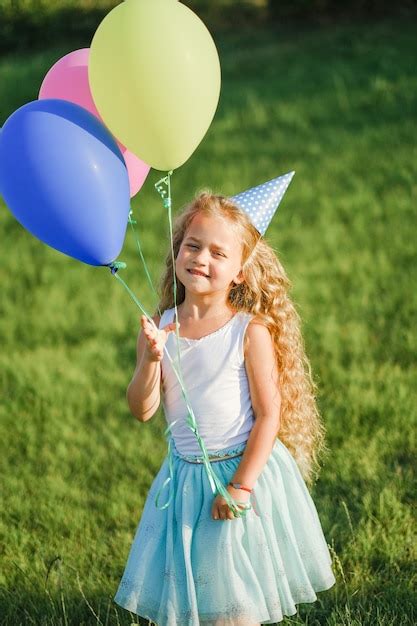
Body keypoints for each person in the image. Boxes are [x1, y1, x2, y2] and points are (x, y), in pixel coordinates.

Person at [113, 184, 336, 625]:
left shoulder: (247, 332)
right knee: (197, 594)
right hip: (185, 481)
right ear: (177, 253)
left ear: (239, 271)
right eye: (192, 246)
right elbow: (142, 409)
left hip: (239, 472)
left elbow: (269, 415)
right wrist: (152, 361)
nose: (201, 259)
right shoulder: (160, 327)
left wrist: (241, 486)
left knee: (235, 606)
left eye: (218, 253)